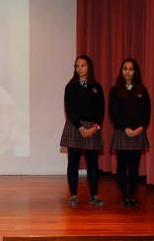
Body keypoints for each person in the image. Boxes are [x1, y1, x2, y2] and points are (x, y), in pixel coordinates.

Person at [60, 55, 105, 207]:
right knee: (73, 162)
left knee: (93, 163)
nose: (80, 68)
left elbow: (101, 111)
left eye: (83, 65)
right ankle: (73, 195)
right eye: (77, 66)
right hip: (75, 126)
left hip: (92, 128)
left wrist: (94, 128)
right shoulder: (70, 87)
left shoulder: (97, 87)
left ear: (89, 67)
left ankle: (94, 195)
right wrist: (80, 127)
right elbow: (70, 110)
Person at [108, 58, 151, 207]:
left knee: (134, 167)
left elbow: (147, 112)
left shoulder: (142, 90)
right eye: (125, 68)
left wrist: (140, 128)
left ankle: (132, 196)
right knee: (122, 166)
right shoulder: (115, 91)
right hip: (122, 131)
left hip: (138, 132)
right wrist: (125, 128)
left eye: (130, 68)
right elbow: (113, 113)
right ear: (121, 71)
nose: (127, 71)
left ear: (135, 72)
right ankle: (124, 196)